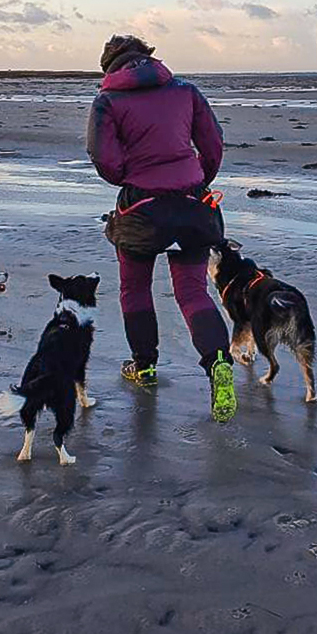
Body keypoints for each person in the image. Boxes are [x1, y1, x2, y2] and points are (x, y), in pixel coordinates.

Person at [86, 35, 236, 423]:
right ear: (148, 58)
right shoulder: (186, 91)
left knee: (134, 289)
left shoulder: (108, 100)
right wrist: (197, 178)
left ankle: (145, 366)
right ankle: (219, 363)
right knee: (192, 292)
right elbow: (213, 144)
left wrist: (130, 177)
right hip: (190, 203)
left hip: (141, 206)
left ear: (110, 66)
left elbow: (103, 159)